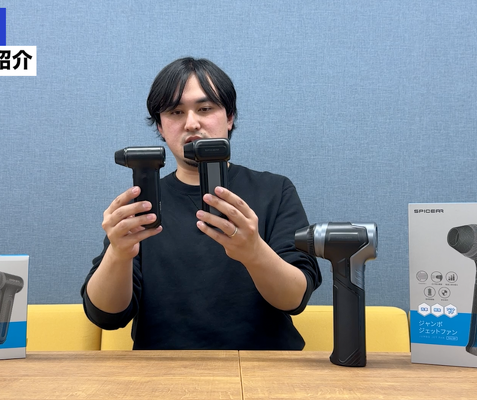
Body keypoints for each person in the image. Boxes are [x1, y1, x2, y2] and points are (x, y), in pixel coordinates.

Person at [80, 57, 321, 350]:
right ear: (160, 126)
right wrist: (119, 253)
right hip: (161, 371)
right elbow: (105, 315)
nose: (192, 123)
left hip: (262, 367)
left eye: (205, 109)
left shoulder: (275, 190)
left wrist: (254, 252)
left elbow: (295, 299)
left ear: (229, 117)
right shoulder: (143, 206)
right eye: (175, 112)